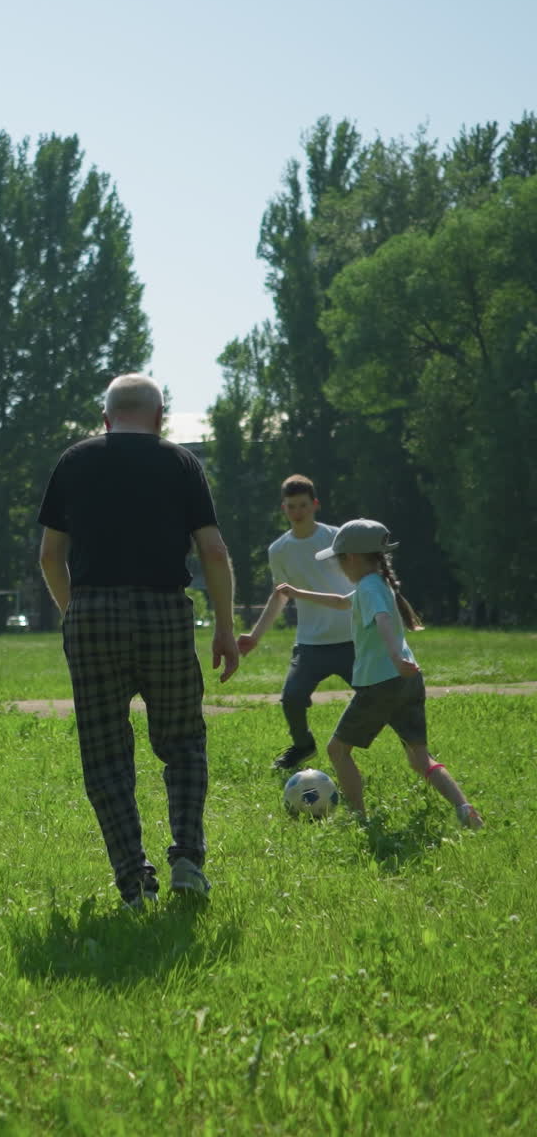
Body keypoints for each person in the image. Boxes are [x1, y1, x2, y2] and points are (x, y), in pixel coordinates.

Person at [38, 373, 239, 909]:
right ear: (160, 416)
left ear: (106, 419)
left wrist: (74, 612)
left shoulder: (73, 461)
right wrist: (224, 625)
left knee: (105, 757)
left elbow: (49, 558)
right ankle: (188, 861)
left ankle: (133, 881)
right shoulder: (181, 463)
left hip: (93, 613)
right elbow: (214, 552)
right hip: (165, 614)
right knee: (182, 744)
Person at [276, 518, 483, 829]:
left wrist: (395, 655)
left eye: (340, 559)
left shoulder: (370, 588)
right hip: (408, 680)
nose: (340, 566)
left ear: (354, 558)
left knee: (337, 750)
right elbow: (339, 602)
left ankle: (360, 819)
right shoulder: (376, 584)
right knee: (419, 758)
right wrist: (296, 592)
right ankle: (464, 808)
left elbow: (384, 620)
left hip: (381, 682)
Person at [237, 474, 354, 770]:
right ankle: (303, 746)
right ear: (283, 509)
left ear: (315, 505)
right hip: (310, 643)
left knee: (381, 697)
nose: (298, 511)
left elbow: (361, 579)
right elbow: (280, 596)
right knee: (292, 698)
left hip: (352, 638)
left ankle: (414, 748)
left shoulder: (336, 537)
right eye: (292, 506)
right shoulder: (279, 550)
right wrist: (255, 636)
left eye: (303, 505)